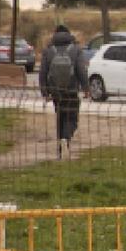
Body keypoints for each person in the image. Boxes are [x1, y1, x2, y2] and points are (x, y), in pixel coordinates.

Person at [38, 24, 88, 160]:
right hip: (71, 90)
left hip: (55, 91)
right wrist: (86, 88)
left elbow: (43, 72)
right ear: (69, 34)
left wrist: (45, 91)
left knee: (60, 117)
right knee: (72, 118)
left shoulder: (48, 50)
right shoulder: (76, 49)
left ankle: (61, 148)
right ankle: (66, 138)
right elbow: (81, 70)